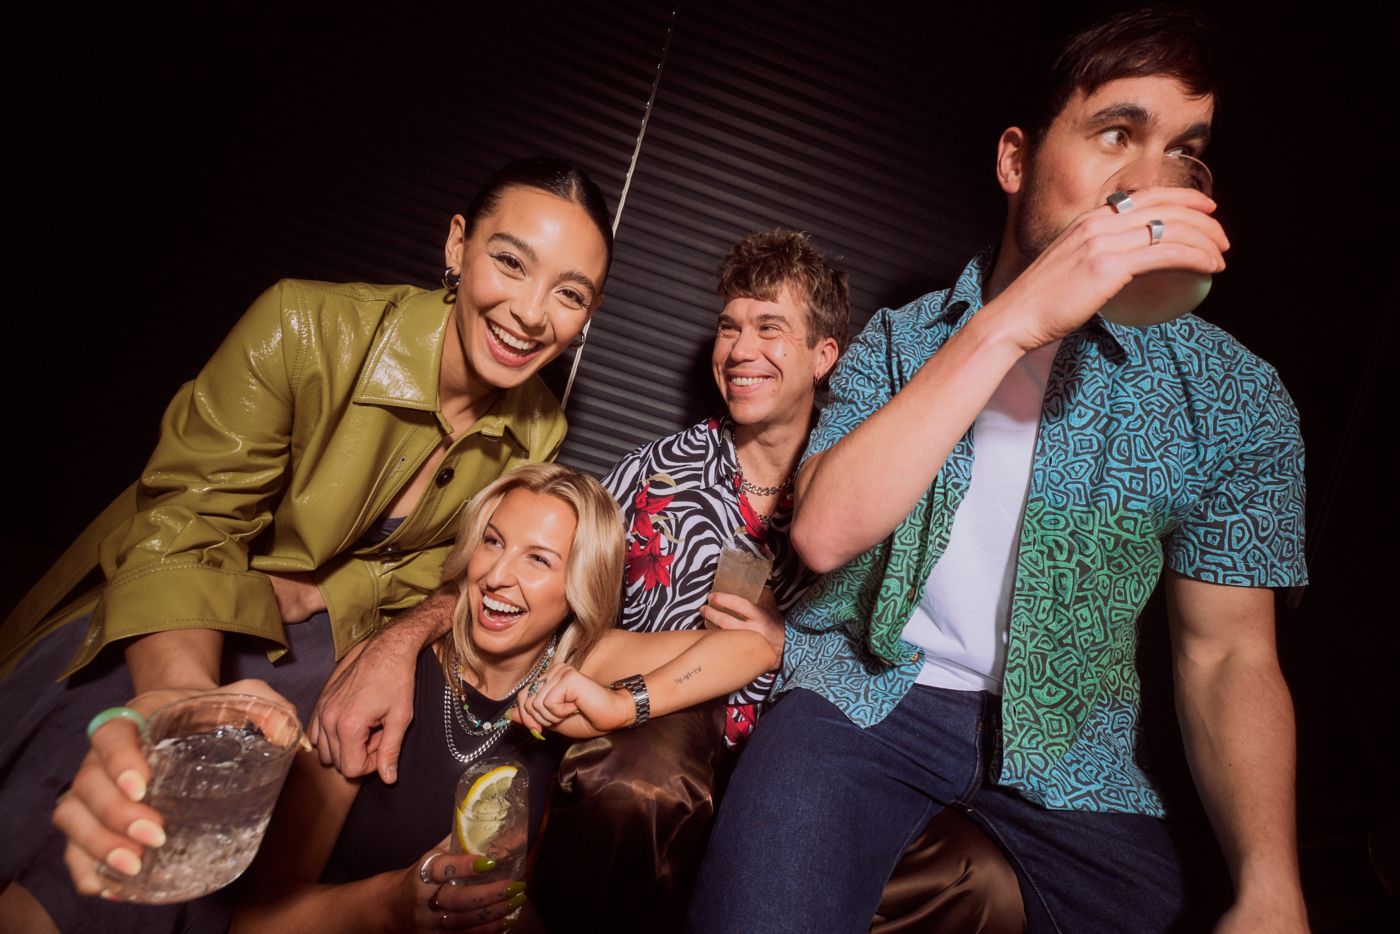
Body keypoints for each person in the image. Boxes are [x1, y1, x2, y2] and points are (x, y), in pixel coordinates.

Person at [689, 8, 1309, 934]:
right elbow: (820, 532)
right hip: (865, 697)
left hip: (1075, 753)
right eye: (1115, 135)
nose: (1149, 183)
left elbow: (1226, 654)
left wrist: (1269, 882)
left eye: (1182, 154)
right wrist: (1015, 320)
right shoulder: (902, 338)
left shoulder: (1237, 400)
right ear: (1016, 161)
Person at [0, 158, 613, 933]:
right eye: (510, 261)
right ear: (458, 245)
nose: (531, 313)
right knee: (111, 830)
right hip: (164, 625)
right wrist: (185, 698)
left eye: (569, 294)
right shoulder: (299, 324)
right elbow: (183, 533)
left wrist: (369, 626)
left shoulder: (539, 430)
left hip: (320, 668)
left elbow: (447, 581)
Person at [531, 230, 1024, 932]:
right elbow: (567, 620)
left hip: (816, 748)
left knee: (981, 881)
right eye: (729, 328)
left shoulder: (870, 486)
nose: (740, 350)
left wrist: (783, 644)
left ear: (827, 356)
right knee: (638, 784)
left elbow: (897, 647)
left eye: (770, 328)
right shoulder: (654, 473)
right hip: (657, 726)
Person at [230, 463, 782, 933]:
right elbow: (254, 920)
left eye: (538, 559)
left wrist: (621, 705)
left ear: (578, 586)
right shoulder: (384, 676)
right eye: (493, 542)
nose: (497, 575)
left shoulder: (584, 661)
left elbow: (752, 647)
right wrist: (392, 903)